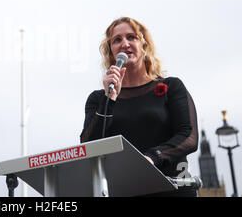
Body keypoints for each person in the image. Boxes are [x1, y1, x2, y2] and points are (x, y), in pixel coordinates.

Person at [80, 16, 198, 197]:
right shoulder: (98, 98)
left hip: (172, 188)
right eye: (117, 40)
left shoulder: (171, 87)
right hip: (125, 191)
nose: (124, 44)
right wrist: (109, 99)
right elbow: (89, 146)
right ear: (111, 52)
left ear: (144, 46)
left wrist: (152, 157)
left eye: (131, 37)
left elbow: (188, 136)